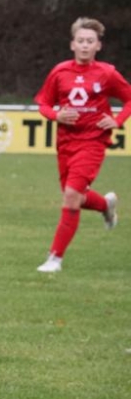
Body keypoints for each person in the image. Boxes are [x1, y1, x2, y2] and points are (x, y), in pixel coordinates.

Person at [34, 17, 131, 273]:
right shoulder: (60, 72)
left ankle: (55, 258)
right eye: (81, 41)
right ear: (72, 45)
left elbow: (129, 98)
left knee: (70, 197)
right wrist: (56, 115)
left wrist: (117, 120)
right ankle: (106, 205)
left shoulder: (107, 73)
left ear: (98, 46)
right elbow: (44, 104)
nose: (85, 45)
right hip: (66, 142)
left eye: (90, 41)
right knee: (74, 196)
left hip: (93, 141)